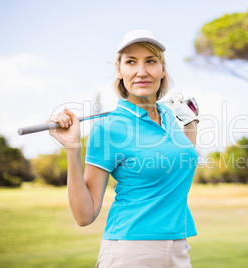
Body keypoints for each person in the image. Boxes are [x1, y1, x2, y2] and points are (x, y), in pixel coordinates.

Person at [49, 29, 199, 268]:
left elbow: (180, 162)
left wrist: (191, 122)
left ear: (162, 69)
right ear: (119, 70)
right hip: (131, 251)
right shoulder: (109, 128)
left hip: (179, 249)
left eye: (150, 61)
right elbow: (84, 215)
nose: (142, 72)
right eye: (131, 62)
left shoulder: (169, 116)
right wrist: (72, 147)